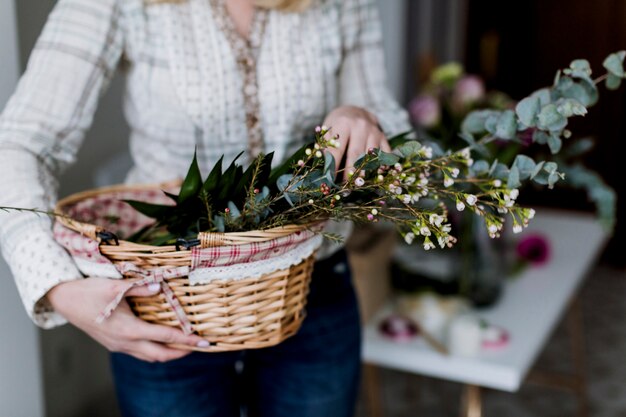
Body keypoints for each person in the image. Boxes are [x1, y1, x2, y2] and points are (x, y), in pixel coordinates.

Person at [0, 0, 409, 415]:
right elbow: (19, 144)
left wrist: (361, 119)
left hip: (309, 288)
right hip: (165, 301)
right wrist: (56, 286)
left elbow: (388, 129)